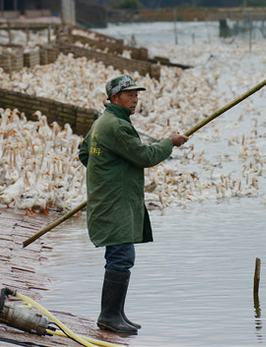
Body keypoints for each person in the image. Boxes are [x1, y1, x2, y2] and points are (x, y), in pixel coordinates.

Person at [79, 74, 188, 335]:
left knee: (120, 256)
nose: (135, 99)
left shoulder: (102, 122)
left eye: (137, 95)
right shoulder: (117, 125)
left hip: (108, 200)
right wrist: (168, 143)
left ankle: (117, 314)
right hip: (114, 204)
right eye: (130, 95)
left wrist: (107, 172)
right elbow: (143, 156)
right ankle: (108, 316)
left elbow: (84, 154)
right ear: (114, 98)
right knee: (121, 257)